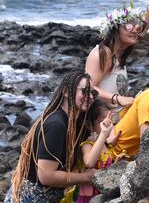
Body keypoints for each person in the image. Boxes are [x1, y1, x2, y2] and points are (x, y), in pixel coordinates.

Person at [7, 71, 98, 203]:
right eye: (85, 91)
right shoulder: (57, 125)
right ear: (66, 92)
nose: (90, 97)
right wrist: (86, 177)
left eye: (93, 93)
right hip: (31, 198)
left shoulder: (71, 122)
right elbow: (46, 176)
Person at [85, 0, 149, 115]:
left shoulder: (120, 52)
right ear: (115, 30)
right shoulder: (103, 53)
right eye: (129, 25)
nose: (135, 29)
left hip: (118, 114)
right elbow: (88, 88)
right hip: (101, 119)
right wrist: (118, 99)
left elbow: (144, 27)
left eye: (137, 26)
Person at [77, 100, 116, 203]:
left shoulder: (107, 144)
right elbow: (89, 163)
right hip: (89, 198)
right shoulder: (87, 144)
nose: (106, 123)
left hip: (107, 195)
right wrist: (103, 133)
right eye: (101, 121)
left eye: (109, 120)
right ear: (88, 124)